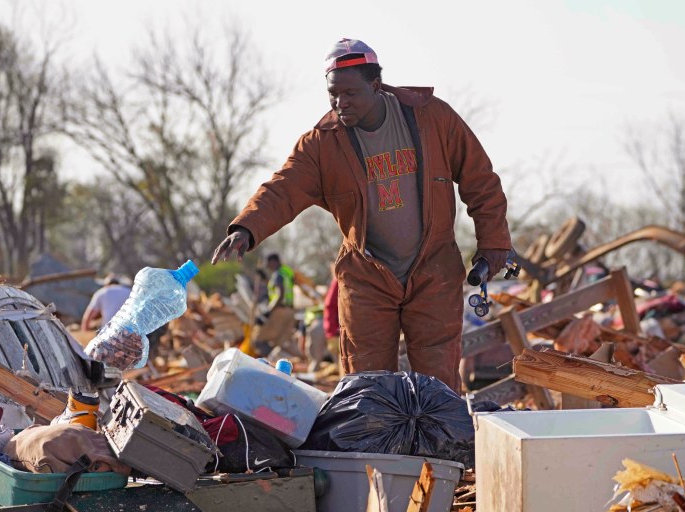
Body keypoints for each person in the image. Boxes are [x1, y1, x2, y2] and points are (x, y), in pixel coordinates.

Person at [212, 39, 512, 390]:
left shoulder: (432, 118)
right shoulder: (321, 144)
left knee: (439, 381)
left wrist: (493, 243)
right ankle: (373, 445)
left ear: (375, 84)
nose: (341, 103)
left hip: (434, 269)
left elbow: (481, 180)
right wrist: (247, 227)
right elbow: (283, 188)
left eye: (351, 93)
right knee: (366, 384)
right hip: (367, 277)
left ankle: (439, 444)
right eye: (333, 95)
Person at [253, 253, 298, 356]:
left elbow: (279, 295)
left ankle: (264, 362)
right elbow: (280, 286)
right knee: (282, 342)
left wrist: (268, 311)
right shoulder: (286, 272)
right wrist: (265, 278)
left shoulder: (278, 275)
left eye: (268, 263)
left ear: (274, 262)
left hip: (279, 310)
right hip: (290, 311)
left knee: (259, 339)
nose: (267, 266)